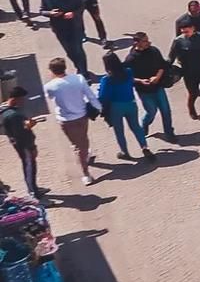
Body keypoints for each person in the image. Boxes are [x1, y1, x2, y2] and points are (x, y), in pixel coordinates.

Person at [43, 57, 97, 186]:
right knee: (82, 139)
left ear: (52, 71)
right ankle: (85, 159)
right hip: (81, 116)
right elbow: (90, 95)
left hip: (65, 120)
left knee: (77, 144)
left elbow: (50, 97)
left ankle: (85, 170)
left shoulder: (49, 86)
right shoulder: (78, 78)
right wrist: (98, 107)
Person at [95, 52, 151, 162]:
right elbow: (131, 81)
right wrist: (140, 80)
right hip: (131, 103)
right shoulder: (128, 72)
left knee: (119, 131)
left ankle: (125, 152)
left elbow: (103, 96)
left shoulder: (107, 79)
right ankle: (144, 147)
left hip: (116, 107)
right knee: (136, 127)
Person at [168, 17, 200, 119]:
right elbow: (171, 56)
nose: (185, 34)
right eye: (183, 31)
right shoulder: (178, 41)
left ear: (193, 28)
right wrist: (165, 67)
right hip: (188, 71)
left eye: (187, 31)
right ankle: (192, 110)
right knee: (193, 93)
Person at [127, 30, 176, 139]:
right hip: (144, 91)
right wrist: (140, 81)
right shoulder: (131, 59)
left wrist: (157, 77)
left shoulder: (153, 51)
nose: (148, 42)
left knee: (166, 110)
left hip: (158, 87)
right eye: (145, 41)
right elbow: (127, 76)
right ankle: (145, 124)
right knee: (151, 111)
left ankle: (169, 133)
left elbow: (163, 65)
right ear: (137, 43)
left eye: (147, 40)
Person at [39, 0, 89, 74]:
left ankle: (84, 72)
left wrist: (73, 13)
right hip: (59, 29)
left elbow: (81, 6)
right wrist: (50, 13)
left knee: (78, 50)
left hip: (74, 26)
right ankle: (78, 66)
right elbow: (42, 11)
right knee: (69, 51)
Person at [0, 85, 41, 197]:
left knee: (28, 165)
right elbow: (22, 135)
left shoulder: (3, 109)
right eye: (22, 99)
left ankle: (33, 187)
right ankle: (33, 192)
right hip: (24, 146)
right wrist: (32, 147)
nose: (23, 102)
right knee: (29, 166)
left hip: (16, 142)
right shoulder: (14, 115)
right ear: (15, 99)